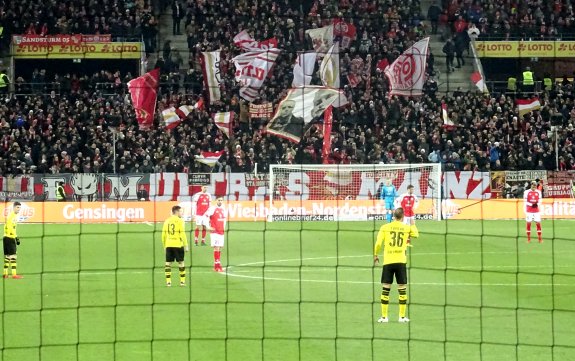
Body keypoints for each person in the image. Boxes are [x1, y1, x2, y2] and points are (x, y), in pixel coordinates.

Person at [374, 208, 419, 323]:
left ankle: (384, 317)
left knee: (386, 289)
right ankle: (402, 317)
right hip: (401, 262)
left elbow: (378, 243)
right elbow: (416, 235)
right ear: (403, 217)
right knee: (402, 289)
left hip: (388, 262)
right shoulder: (406, 228)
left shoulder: (385, 228)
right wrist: (413, 224)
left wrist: (375, 254)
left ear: (393, 216)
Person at [162, 205, 189, 286]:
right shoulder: (180, 221)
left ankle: (168, 282)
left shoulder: (167, 221)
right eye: (181, 211)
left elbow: (163, 234)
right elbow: (182, 233)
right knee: (181, 263)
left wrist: (164, 245)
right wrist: (186, 245)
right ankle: (182, 281)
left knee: (168, 264)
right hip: (178, 245)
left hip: (169, 245)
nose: (182, 213)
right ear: (176, 212)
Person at [206, 196, 227, 272]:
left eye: (221, 200)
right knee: (216, 247)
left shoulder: (224, 209)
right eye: (219, 200)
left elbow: (224, 220)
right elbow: (206, 216)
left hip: (221, 231)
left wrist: (223, 228)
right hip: (215, 231)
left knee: (219, 248)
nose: (220, 201)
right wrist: (208, 227)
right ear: (216, 200)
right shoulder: (212, 208)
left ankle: (216, 265)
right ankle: (217, 266)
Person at [3, 202, 23, 279]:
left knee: (8, 256)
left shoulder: (11, 216)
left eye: (19, 208)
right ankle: (14, 275)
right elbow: (10, 228)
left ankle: (5, 274)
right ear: (14, 207)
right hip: (10, 238)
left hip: (6, 238)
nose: (19, 209)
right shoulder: (12, 216)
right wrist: (15, 237)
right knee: (13, 256)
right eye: (17, 207)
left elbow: (7, 227)